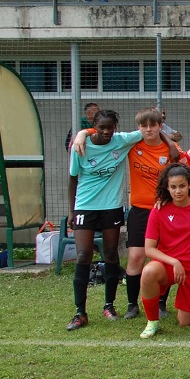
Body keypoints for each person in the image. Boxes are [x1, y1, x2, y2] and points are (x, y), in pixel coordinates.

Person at [72, 107, 181, 320]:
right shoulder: (130, 145)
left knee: (163, 257)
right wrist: (82, 133)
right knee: (135, 257)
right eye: (144, 125)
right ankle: (132, 304)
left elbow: (185, 169)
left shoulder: (171, 149)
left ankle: (160, 303)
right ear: (138, 127)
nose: (148, 129)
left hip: (164, 210)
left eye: (154, 125)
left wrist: (171, 144)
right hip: (138, 210)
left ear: (160, 126)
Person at [65, 109, 143, 331]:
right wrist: (72, 210)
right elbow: (72, 180)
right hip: (85, 206)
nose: (107, 131)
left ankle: (109, 306)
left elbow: (148, 129)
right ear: (94, 127)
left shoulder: (120, 141)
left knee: (110, 254)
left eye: (110, 127)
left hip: (111, 206)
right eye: (102, 127)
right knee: (83, 254)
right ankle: (80, 312)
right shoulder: (81, 147)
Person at [138, 164, 190, 338]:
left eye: (182, 186)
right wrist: (174, 261)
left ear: (189, 185)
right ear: (167, 187)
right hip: (170, 266)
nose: (178, 191)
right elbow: (149, 249)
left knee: (185, 322)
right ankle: (152, 322)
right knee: (149, 271)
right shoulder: (158, 210)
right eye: (173, 187)